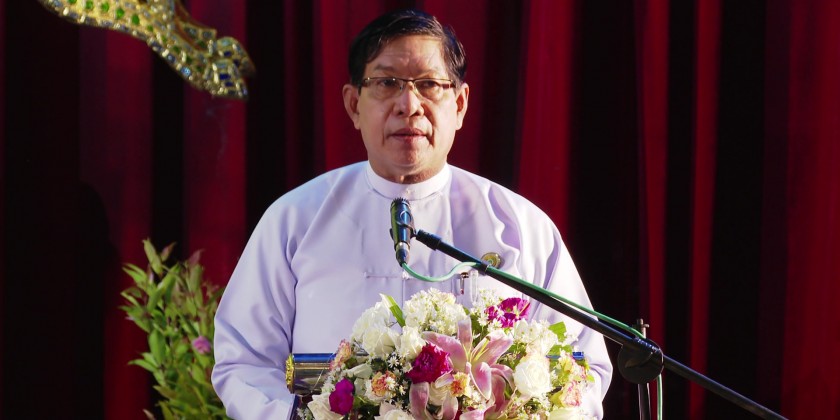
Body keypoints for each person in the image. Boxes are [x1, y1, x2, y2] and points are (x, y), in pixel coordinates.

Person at [212, 9, 613, 419]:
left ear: (460, 104)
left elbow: (581, 366)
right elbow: (243, 361)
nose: (408, 105)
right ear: (353, 104)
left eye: (429, 85)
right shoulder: (295, 221)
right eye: (387, 83)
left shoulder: (518, 227)